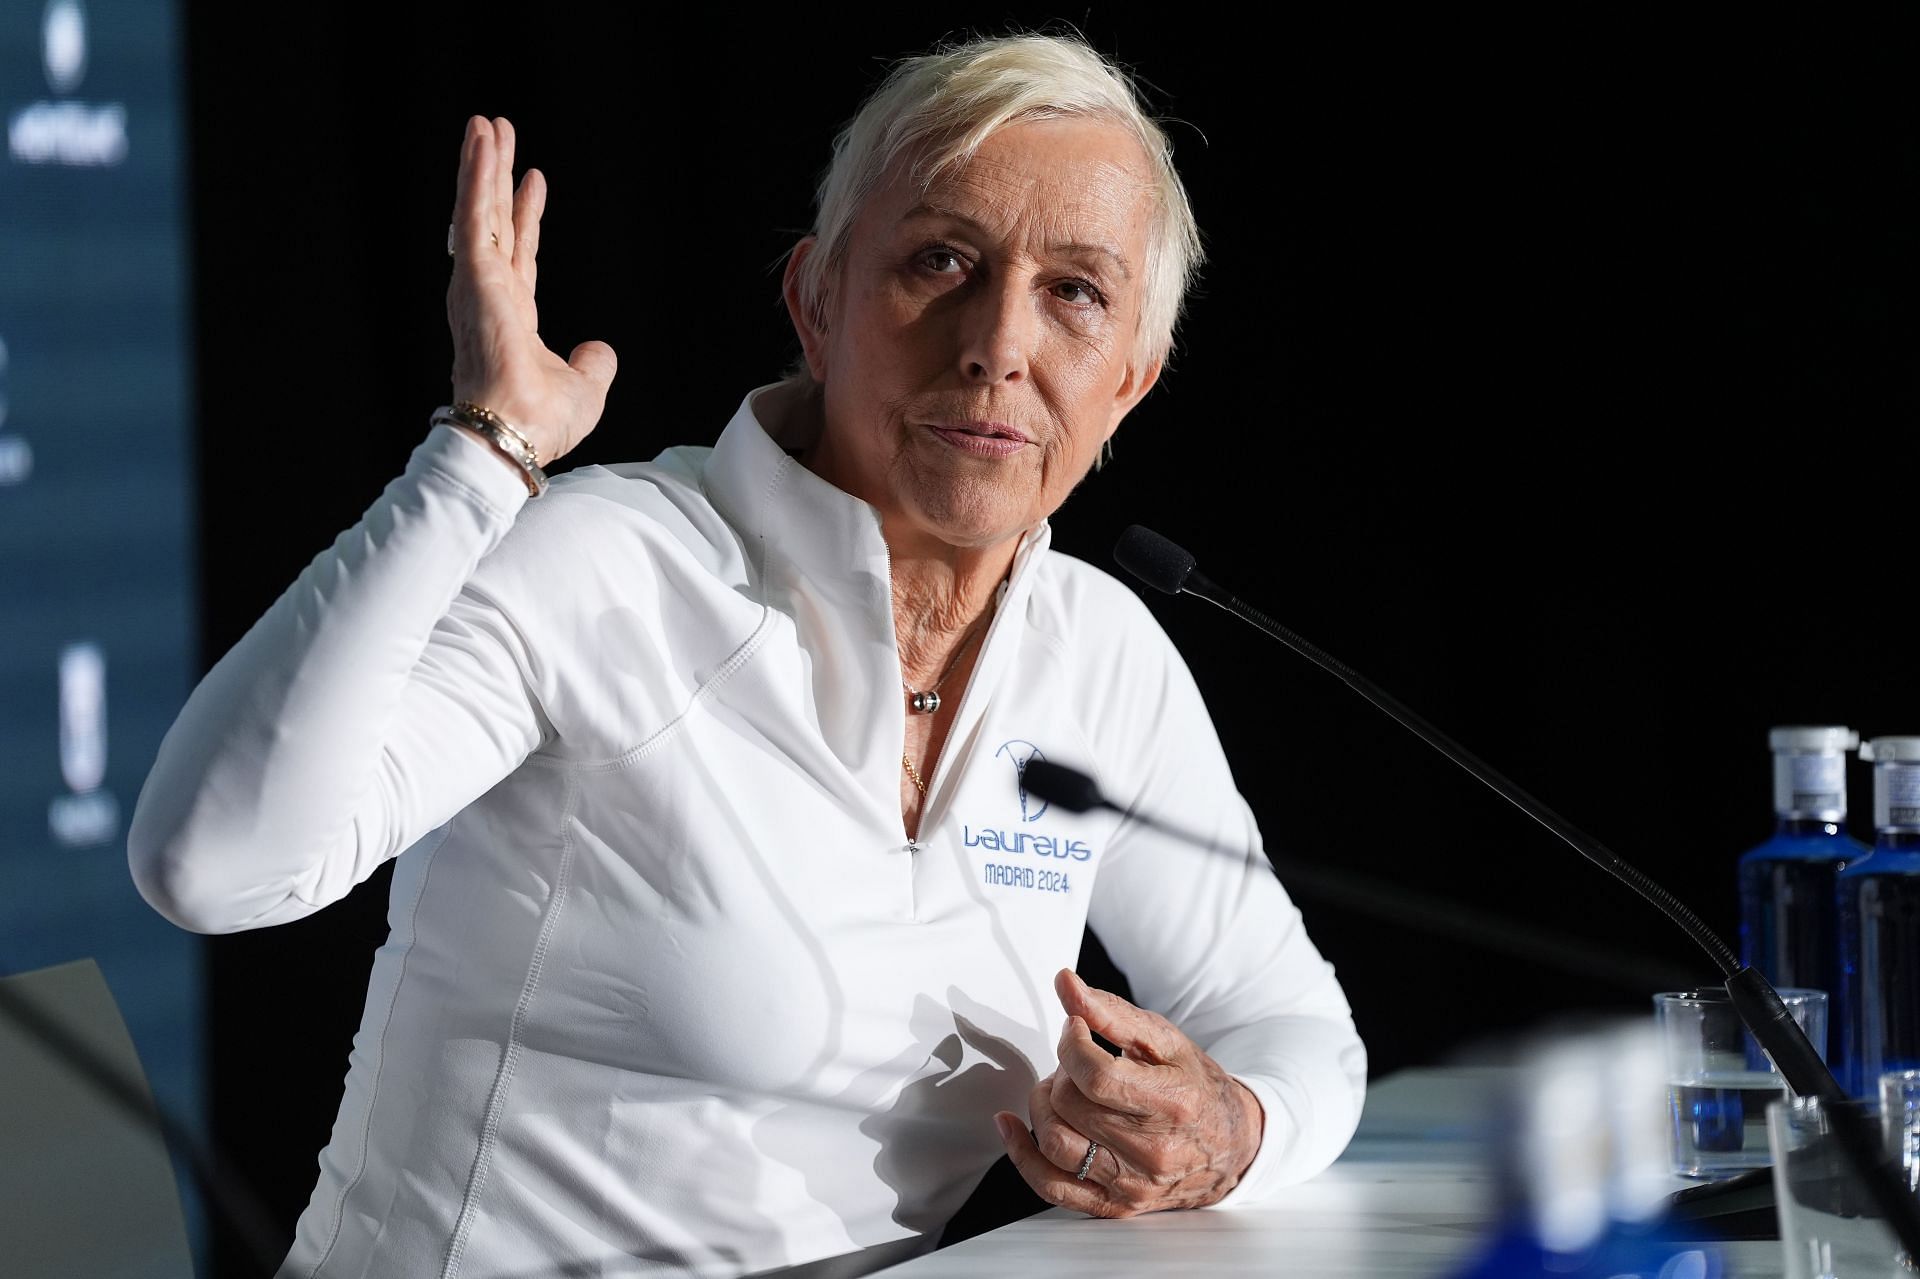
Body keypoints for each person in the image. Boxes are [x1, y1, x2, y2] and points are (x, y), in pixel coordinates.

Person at [129, 31, 1366, 1279]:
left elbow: (1292, 1025)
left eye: (1076, 293)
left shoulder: (1103, 656)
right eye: (941, 259)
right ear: (815, 304)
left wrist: (1232, 1130)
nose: (998, 342)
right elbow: (217, 867)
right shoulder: (612, 563)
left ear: (1132, 384)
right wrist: (478, 459)